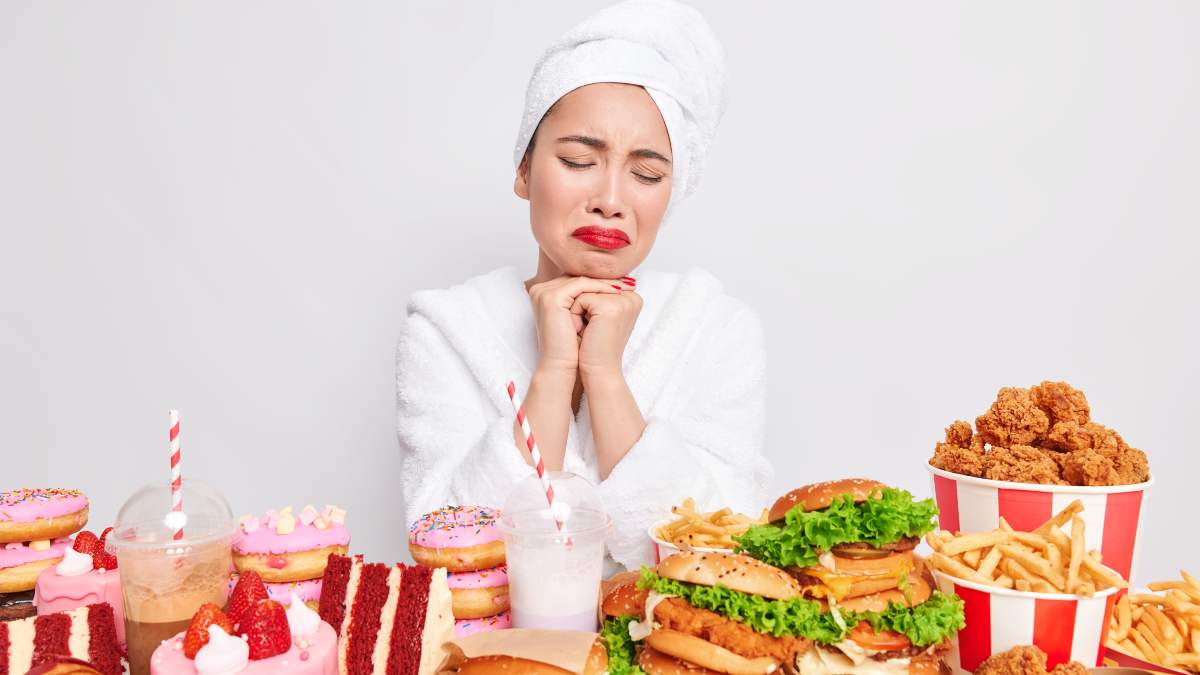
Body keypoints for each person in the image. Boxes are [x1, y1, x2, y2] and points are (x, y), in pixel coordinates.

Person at [396, 0, 771, 571]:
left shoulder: (715, 327)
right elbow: (451, 552)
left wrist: (604, 376)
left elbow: (722, 551)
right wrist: (552, 373)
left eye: (646, 174)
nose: (612, 199)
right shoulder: (447, 329)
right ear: (524, 170)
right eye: (577, 160)